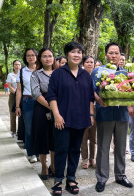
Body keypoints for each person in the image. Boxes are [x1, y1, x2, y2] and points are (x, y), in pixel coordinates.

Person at [46, 41, 94, 195]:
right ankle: (58, 180)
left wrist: (91, 115)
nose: (76, 55)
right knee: (61, 150)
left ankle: (71, 179)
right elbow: (52, 96)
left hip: (80, 119)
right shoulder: (58, 74)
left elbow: (90, 98)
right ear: (67, 54)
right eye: (73, 52)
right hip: (62, 120)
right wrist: (57, 115)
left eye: (79, 52)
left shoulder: (85, 75)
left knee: (75, 150)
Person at [91, 42, 133, 193]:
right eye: (111, 53)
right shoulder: (97, 71)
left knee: (121, 146)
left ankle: (120, 175)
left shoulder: (127, 73)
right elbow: (92, 91)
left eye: (116, 53)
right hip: (105, 113)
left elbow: (130, 91)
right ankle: (102, 178)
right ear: (106, 55)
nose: (114, 56)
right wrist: (99, 100)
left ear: (121, 55)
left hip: (122, 114)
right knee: (103, 147)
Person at [30, 48, 55, 180]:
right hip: (41, 107)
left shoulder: (59, 73)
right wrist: (51, 106)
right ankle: (44, 166)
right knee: (42, 136)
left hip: (58, 108)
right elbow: (36, 93)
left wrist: (56, 108)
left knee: (55, 137)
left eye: (50, 56)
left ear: (53, 58)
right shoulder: (36, 74)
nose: (47, 58)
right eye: (44, 56)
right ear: (40, 58)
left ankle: (54, 165)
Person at [15, 48, 38, 163]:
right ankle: (31, 153)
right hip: (27, 101)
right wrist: (18, 106)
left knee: (40, 128)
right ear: (25, 57)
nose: (31, 57)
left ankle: (40, 152)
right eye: (28, 55)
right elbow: (19, 90)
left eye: (33, 55)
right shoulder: (22, 71)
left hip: (41, 102)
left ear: (37, 56)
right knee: (29, 129)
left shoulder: (41, 69)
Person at [80, 56, 97, 169]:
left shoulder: (97, 76)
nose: (90, 64)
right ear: (83, 63)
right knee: (84, 136)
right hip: (82, 108)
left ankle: (92, 158)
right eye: (87, 62)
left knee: (93, 135)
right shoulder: (79, 75)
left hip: (95, 108)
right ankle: (84, 158)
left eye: (92, 62)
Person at [7, 60, 22, 137]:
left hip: (23, 95)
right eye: (16, 64)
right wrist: (16, 93)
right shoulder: (10, 75)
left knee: (22, 114)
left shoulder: (23, 74)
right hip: (13, 96)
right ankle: (13, 130)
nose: (17, 66)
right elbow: (9, 86)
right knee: (13, 113)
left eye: (19, 64)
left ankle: (21, 131)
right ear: (13, 66)